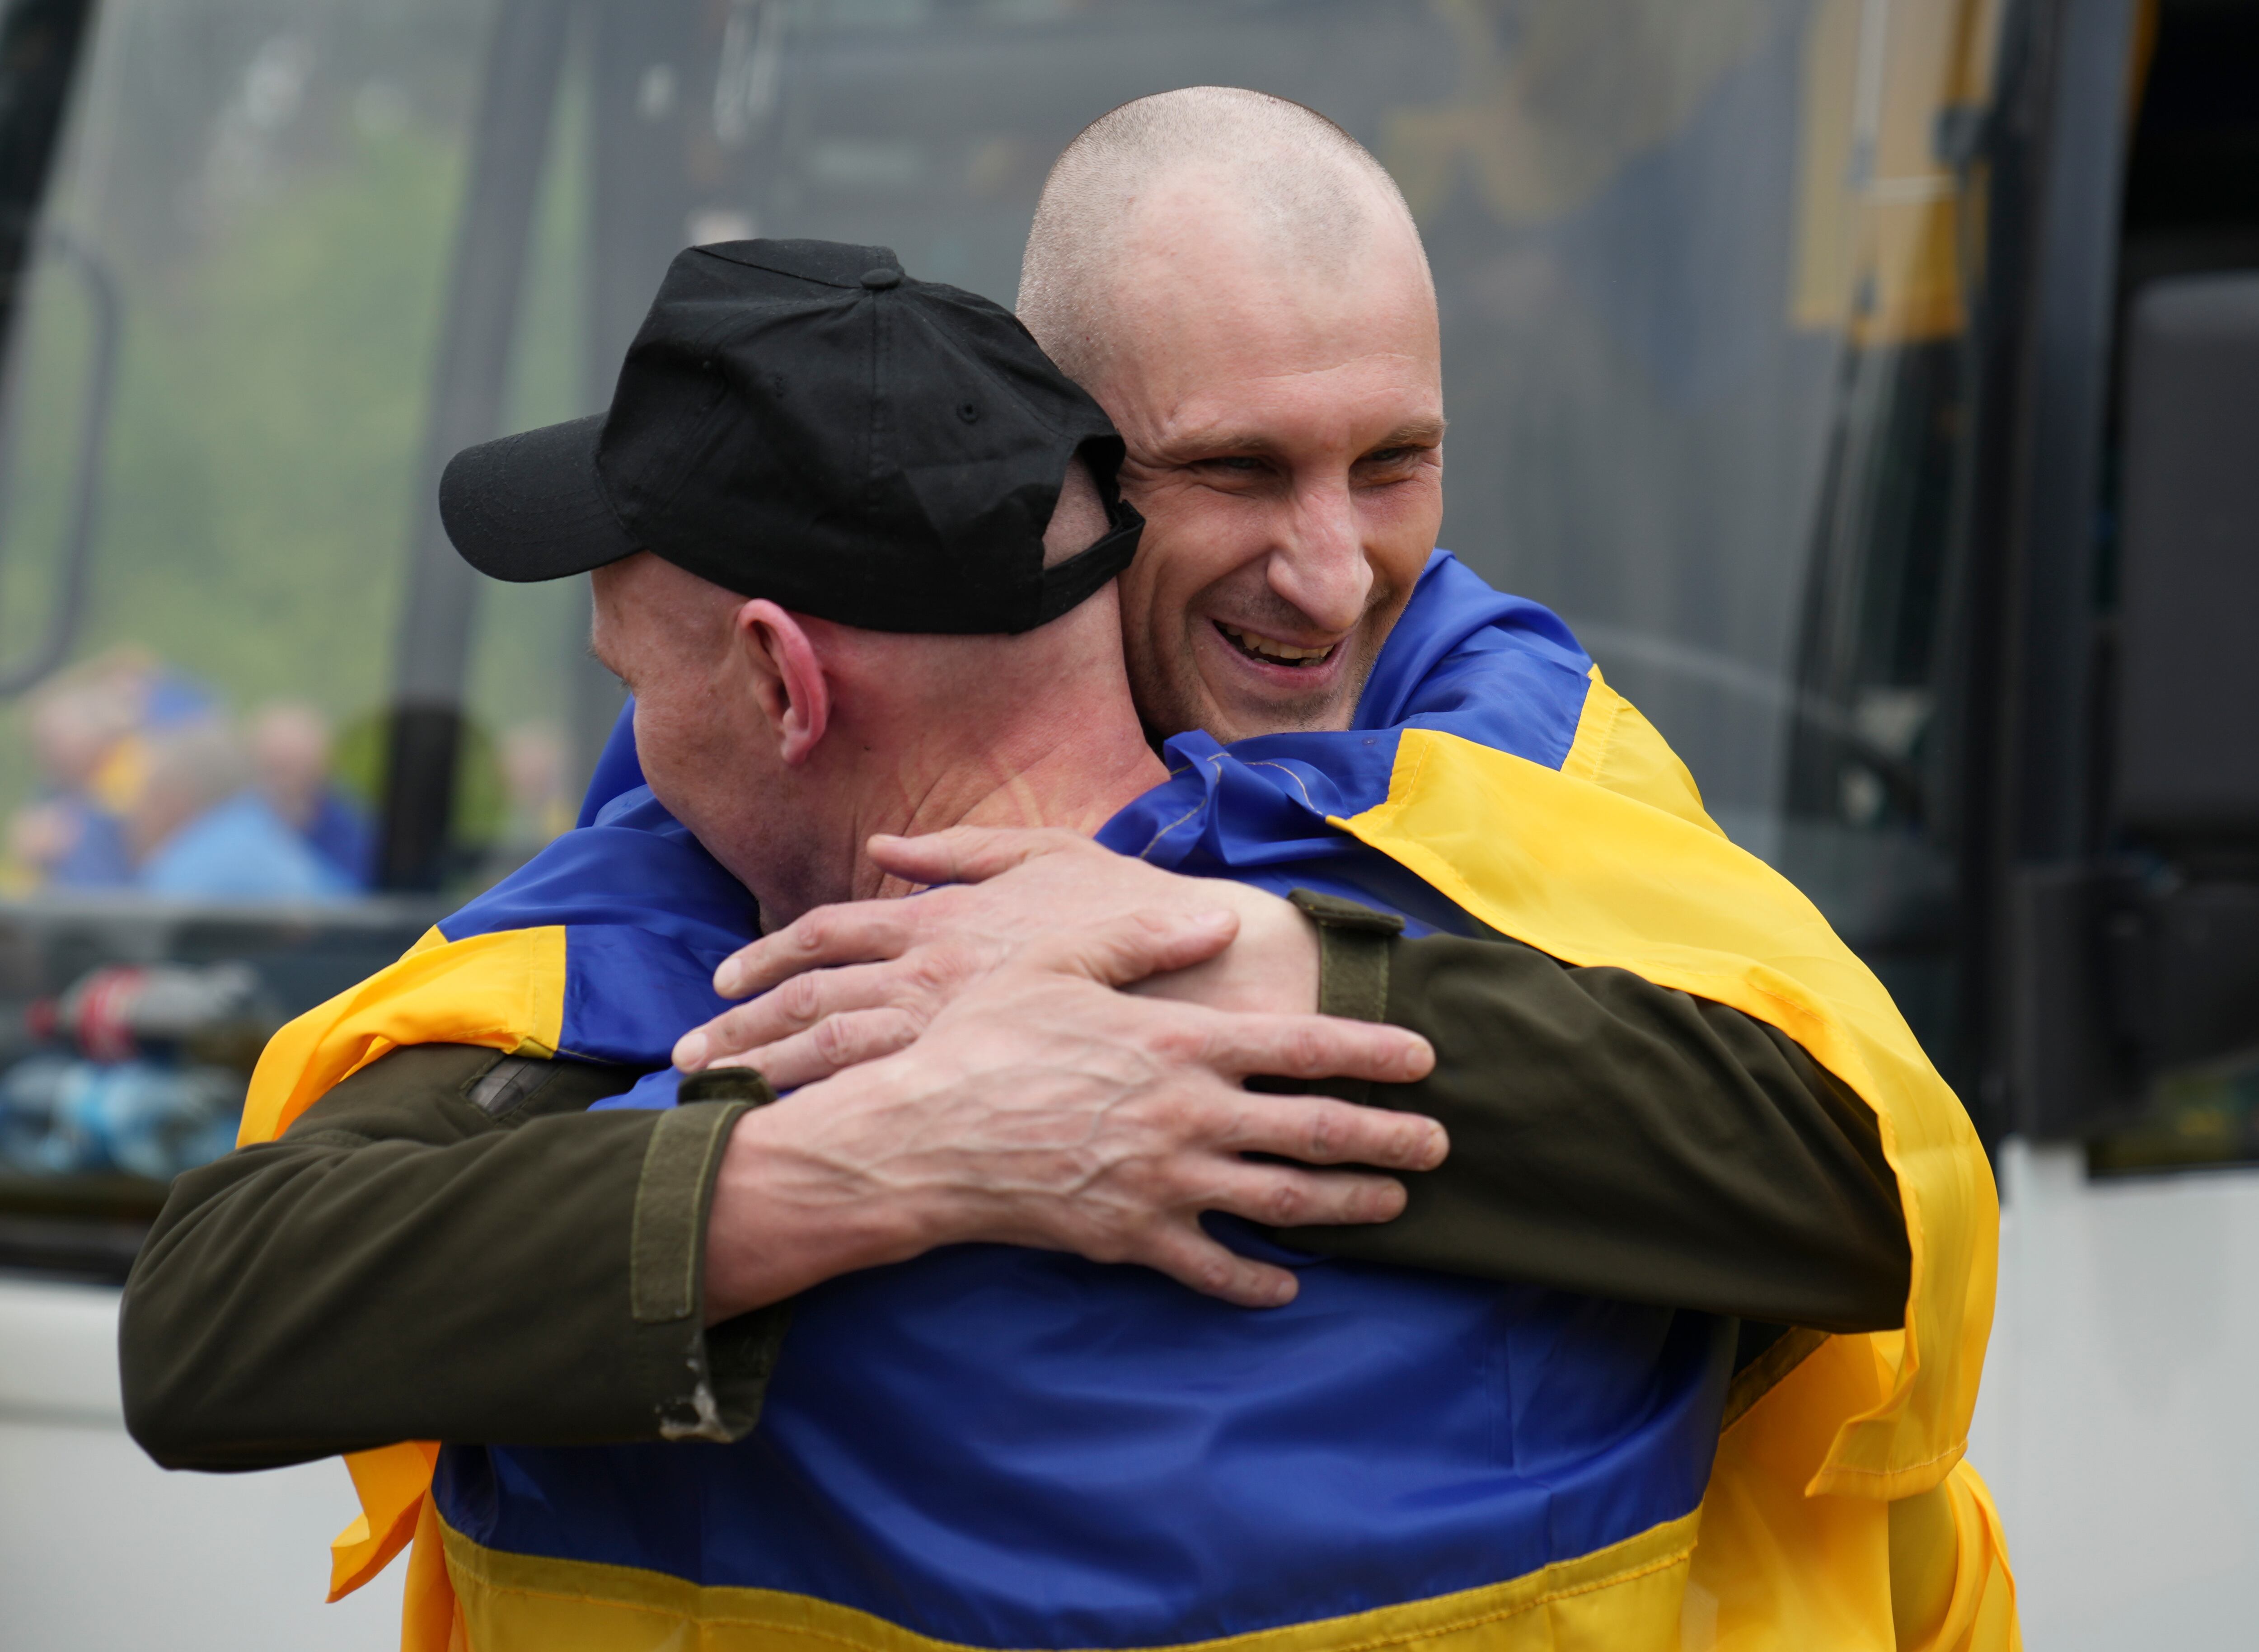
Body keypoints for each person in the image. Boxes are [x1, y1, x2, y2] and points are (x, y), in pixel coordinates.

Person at [122, 93, 2008, 1652]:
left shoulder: (1508, 761)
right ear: (1077, 479)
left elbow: (1860, 1185)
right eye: (1241, 469)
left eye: (1394, 463)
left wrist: (1231, 970)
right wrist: (912, 1143)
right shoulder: (701, 874)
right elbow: (223, 1309)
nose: (1335, 573)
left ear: (776, 671)